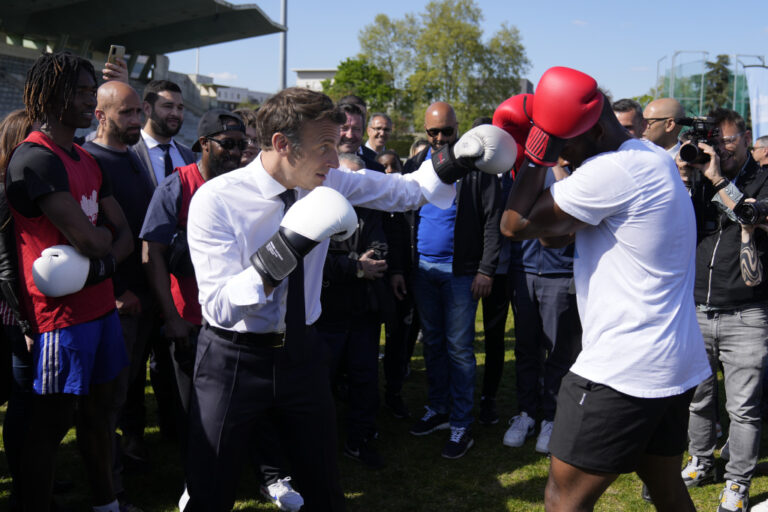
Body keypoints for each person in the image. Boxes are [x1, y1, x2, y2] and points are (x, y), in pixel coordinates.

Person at [181, 86, 514, 510]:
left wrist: (457, 158)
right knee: (210, 487)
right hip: (234, 358)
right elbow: (219, 306)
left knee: (323, 485)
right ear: (282, 145)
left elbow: (405, 191)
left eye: (335, 146)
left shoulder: (327, 179)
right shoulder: (216, 199)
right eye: (324, 148)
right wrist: (289, 245)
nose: (334, 160)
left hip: (302, 351)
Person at [500, 66, 710, 512]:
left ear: (592, 130)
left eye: (564, 144)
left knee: (562, 499)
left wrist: (535, 155)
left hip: (623, 369)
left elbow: (514, 225)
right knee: (668, 491)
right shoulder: (646, 156)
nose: (561, 155)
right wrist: (551, 152)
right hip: (672, 362)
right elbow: (553, 236)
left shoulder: (614, 171)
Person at [6, 51, 134, 512]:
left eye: (89, 90)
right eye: (80, 92)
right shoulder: (35, 159)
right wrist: (100, 249)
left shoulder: (85, 157)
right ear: (50, 95)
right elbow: (96, 238)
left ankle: (106, 504)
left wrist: (97, 261)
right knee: (50, 425)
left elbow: (123, 234)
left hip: (99, 307)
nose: (89, 100)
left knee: (101, 415)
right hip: (60, 318)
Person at [678, 108, 768, 512]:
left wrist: (717, 178)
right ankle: (701, 459)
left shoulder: (763, 178)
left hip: (746, 312)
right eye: (715, 143)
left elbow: (750, 215)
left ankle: (737, 483)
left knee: (743, 408)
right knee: (697, 396)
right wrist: (684, 177)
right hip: (697, 305)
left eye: (728, 142)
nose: (720, 150)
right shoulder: (697, 177)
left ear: (747, 138)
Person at [405, 102, 503, 459]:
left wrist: (486, 269)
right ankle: (439, 408)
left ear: (457, 129)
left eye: (447, 131)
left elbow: (494, 220)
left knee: (460, 349)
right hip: (423, 271)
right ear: (426, 131)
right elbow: (405, 215)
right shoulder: (416, 164)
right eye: (434, 132)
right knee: (431, 343)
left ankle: (462, 422)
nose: (441, 138)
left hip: (462, 273)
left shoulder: (478, 167)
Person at [82, 80, 156, 512]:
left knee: (127, 392)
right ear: (101, 115)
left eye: (137, 112)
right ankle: (109, 489)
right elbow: (91, 238)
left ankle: (125, 462)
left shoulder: (132, 156)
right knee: (105, 402)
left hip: (144, 298)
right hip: (117, 302)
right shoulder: (91, 161)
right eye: (126, 113)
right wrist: (114, 292)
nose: (136, 120)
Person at [317, 152, 390, 468]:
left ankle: (359, 440)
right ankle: (316, 445)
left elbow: (381, 250)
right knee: (320, 381)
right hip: (326, 314)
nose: (353, 186)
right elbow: (318, 262)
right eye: (347, 177)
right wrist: (355, 266)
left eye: (359, 180)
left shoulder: (371, 212)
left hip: (363, 313)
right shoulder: (316, 211)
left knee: (365, 379)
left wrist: (351, 264)